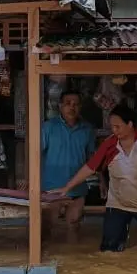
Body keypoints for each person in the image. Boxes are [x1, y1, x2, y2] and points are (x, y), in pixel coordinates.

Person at [53, 103, 137, 254]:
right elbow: (90, 168)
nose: (114, 130)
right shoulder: (109, 144)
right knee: (108, 252)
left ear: (130, 124)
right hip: (118, 204)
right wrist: (67, 187)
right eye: (112, 126)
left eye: (118, 126)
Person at [39, 90, 97, 242]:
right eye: (67, 104)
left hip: (77, 187)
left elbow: (92, 159)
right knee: (47, 226)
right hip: (51, 188)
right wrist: (28, 180)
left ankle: (72, 258)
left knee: (74, 225)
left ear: (80, 107)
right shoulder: (48, 127)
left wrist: (101, 179)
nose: (72, 107)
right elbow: (34, 154)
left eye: (76, 104)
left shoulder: (87, 129)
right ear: (60, 106)